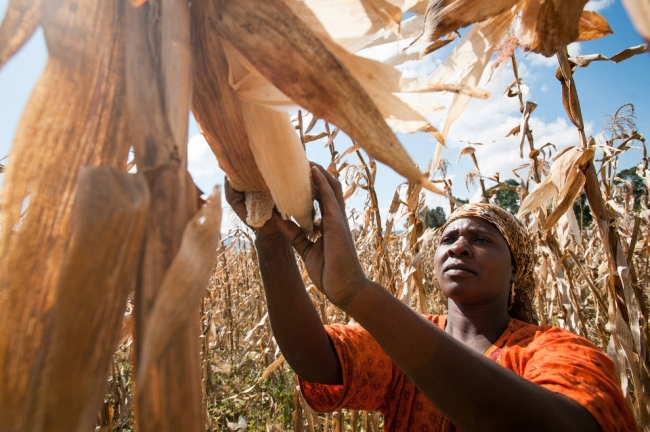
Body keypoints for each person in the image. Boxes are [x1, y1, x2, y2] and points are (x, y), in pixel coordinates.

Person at [225, 164, 637, 432]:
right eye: (448, 239)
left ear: (517, 269)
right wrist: (269, 237)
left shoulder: (558, 351)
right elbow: (315, 359)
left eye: (481, 240)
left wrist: (358, 292)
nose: (459, 248)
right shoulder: (405, 338)